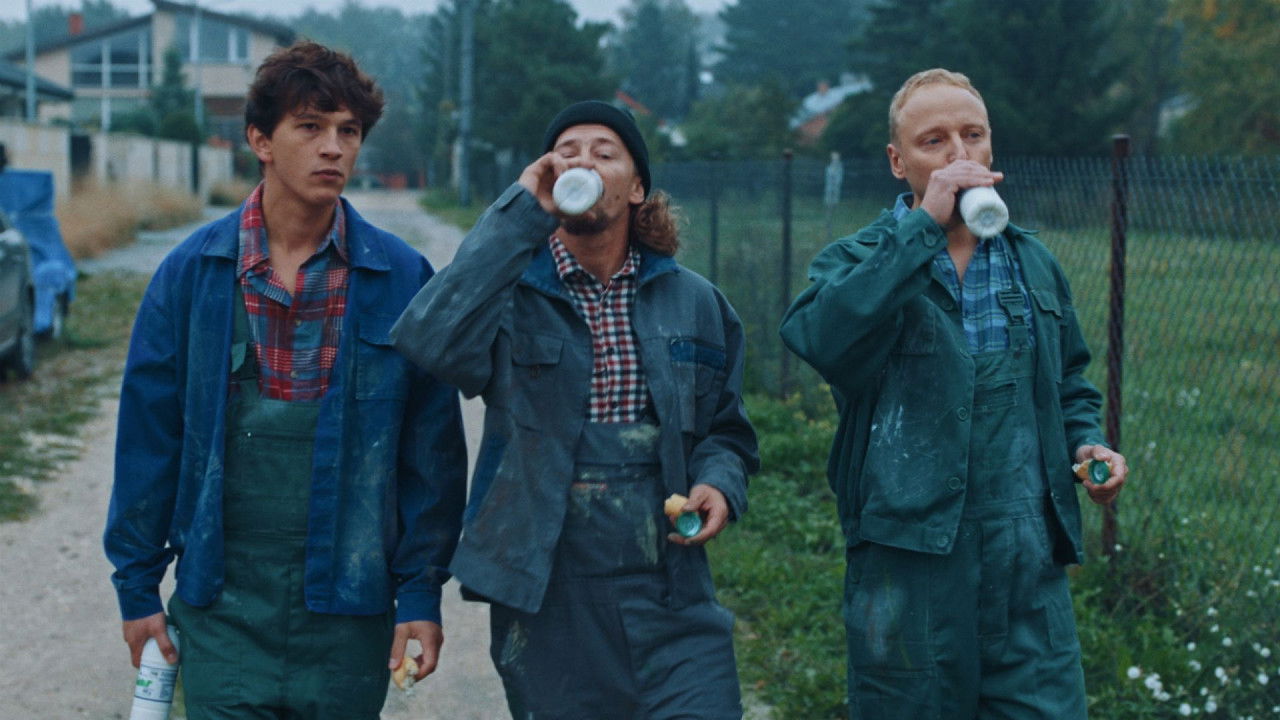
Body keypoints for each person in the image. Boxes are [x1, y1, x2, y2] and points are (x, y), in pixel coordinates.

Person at [103, 41, 467, 718]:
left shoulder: (400, 279)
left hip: (350, 617)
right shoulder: (191, 276)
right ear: (260, 141)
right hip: (221, 611)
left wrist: (420, 593)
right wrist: (137, 587)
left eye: (348, 131)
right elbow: (148, 443)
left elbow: (432, 457)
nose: (333, 147)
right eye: (310, 126)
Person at [391, 100, 759, 719]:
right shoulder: (507, 298)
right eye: (567, 153)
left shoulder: (696, 302)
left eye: (604, 152)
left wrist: (718, 483)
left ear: (636, 187)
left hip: (672, 595)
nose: (583, 161)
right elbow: (429, 341)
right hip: (543, 599)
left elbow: (727, 431)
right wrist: (518, 216)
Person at [779, 68, 1129, 719]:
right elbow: (818, 338)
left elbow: (1069, 383)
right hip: (907, 568)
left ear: (992, 145)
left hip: (1026, 565)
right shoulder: (858, 260)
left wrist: (1087, 444)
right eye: (934, 141)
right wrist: (921, 230)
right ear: (898, 161)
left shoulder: (1034, 263)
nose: (959, 155)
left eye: (973, 134)